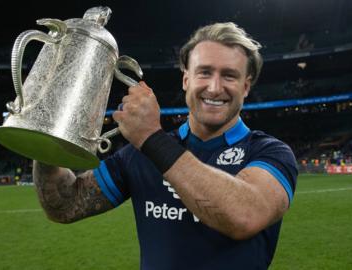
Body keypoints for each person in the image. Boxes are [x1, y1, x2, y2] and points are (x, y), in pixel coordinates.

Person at [33, 22, 298, 270]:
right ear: (186, 80)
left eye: (229, 76)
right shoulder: (140, 154)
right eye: (204, 72)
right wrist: (45, 131)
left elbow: (244, 215)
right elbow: (64, 204)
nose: (215, 88)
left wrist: (152, 138)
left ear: (246, 86)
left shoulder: (270, 153)